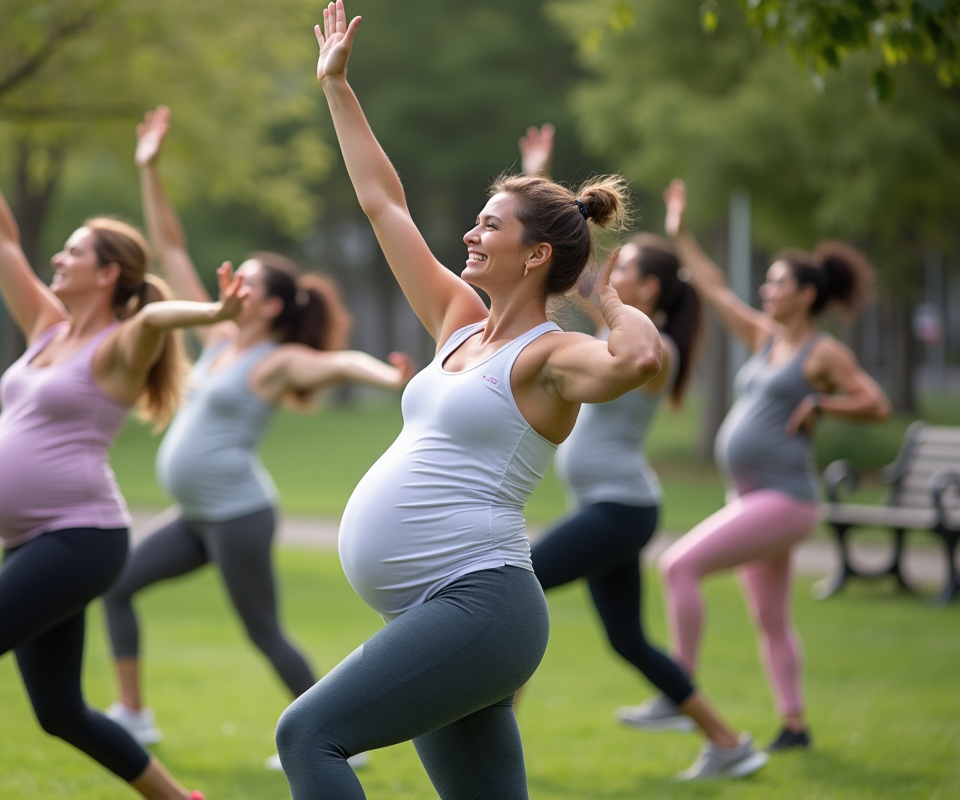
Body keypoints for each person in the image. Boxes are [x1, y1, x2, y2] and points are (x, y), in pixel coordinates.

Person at [273, 6, 663, 798]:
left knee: (309, 734)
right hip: (440, 616)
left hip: (480, 606)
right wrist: (338, 88)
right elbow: (385, 206)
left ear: (538, 254)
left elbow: (641, 358)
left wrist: (605, 298)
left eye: (490, 227)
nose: (470, 236)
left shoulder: (549, 358)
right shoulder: (457, 325)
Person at [0, 74, 242, 800]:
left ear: (108, 275)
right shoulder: (46, 328)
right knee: (59, 711)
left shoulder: (119, 344)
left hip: (80, 539)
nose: (58, 261)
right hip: (39, 539)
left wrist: (210, 313)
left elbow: (158, 321)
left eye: (73, 254)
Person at [100, 104, 415, 757]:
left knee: (264, 633)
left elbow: (337, 364)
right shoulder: (216, 336)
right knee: (119, 584)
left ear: (270, 304)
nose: (230, 283)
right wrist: (149, 169)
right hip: (195, 513)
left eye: (244, 280)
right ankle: (133, 712)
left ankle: (340, 736)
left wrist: (387, 378)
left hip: (238, 515)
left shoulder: (275, 363)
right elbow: (175, 248)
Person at [517, 128, 767, 781]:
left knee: (520, 584)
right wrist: (539, 181)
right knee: (627, 638)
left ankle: (494, 725)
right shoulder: (613, 330)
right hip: (614, 507)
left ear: (653, 292)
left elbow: (623, 337)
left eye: (627, 273)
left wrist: (603, 295)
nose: (611, 279)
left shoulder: (655, 351)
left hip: (620, 508)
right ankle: (729, 743)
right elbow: (564, 273)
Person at [652, 178, 891, 753]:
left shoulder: (822, 352)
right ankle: (796, 726)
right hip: (753, 498)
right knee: (772, 621)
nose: (766, 289)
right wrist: (680, 234)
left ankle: (677, 693)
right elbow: (712, 287)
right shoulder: (764, 337)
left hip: (785, 500)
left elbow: (877, 403)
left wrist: (821, 401)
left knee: (677, 566)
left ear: (806, 295)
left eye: (778, 282)